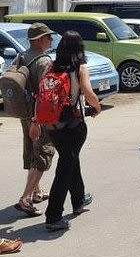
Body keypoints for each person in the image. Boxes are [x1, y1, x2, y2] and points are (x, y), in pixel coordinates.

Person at [40, 31, 102, 231]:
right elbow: (88, 91)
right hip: (73, 125)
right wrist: (97, 107)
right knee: (65, 168)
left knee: (70, 160)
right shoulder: (79, 68)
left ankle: (78, 201)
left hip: (52, 126)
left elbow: (40, 96)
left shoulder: (51, 66)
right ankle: (53, 216)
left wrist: (36, 121)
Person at [13, 23, 55, 218]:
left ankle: (37, 191)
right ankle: (25, 198)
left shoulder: (21, 56)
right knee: (43, 153)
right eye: (47, 37)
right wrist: (38, 120)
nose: (51, 40)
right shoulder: (44, 61)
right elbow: (44, 93)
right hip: (38, 116)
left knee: (31, 151)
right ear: (39, 40)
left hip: (24, 113)